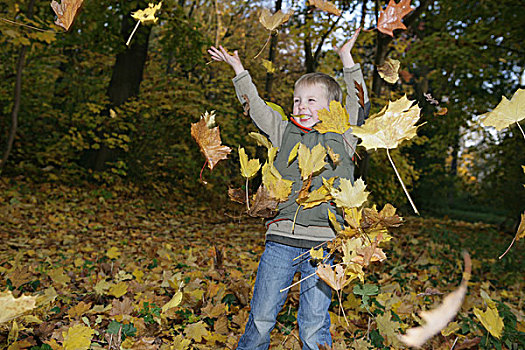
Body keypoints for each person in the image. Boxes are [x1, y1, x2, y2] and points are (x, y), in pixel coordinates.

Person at [208, 28, 369, 350]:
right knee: (262, 315)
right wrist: (240, 72)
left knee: (314, 323)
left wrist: (347, 59)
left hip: (323, 248)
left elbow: (359, 99)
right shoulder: (283, 131)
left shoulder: (345, 133)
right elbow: (255, 107)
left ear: (331, 106)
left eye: (311, 99)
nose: (302, 105)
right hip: (281, 240)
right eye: (297, 99)